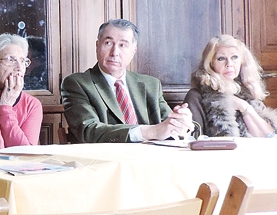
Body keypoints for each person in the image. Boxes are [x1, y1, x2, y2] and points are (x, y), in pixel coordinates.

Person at [61, 19, 194, 143]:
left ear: (133, 51)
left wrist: (182, 122)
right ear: (97, 46)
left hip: (152, 161)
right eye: (108, 43)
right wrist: (149, 132)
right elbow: (89, 131)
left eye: (123, 45)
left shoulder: (150, 85)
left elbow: (169, 124)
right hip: (105, 163)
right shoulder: (77, 83)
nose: (114, 52)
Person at [183, 35, 277, 137]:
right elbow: (192, 139)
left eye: (234, 57)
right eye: (221, 58)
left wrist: (244, 107)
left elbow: (270, 137)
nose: (229, 64)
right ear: (210, 64)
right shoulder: (196, 96)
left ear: (241, 61)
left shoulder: (248, 93)